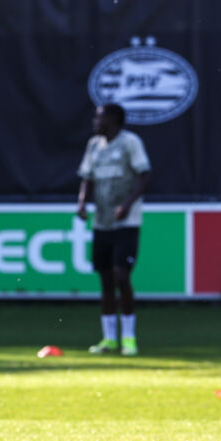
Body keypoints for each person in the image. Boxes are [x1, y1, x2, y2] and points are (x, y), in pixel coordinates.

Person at [75, 103, 151, 356]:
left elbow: (144, 175)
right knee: (106, 279)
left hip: (126, 223)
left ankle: (129, 338)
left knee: (122, 276)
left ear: (114, 119)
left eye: (100, 117)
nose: (96, 121)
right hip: (102, 222)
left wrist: (128, 205)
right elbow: (87, 177)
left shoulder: (130, 142)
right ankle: (109, 338)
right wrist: (82, 202)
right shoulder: (94, 145)